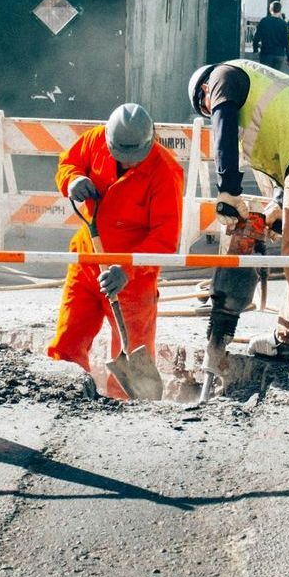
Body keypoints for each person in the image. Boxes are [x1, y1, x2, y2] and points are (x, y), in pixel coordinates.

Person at [188, 59, 289, 382]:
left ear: (205, 91)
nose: (212, 112)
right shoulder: (259, 81)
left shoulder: (222, 76)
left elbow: (222, 127)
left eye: (207, 108)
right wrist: (279, 203)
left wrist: (229, 191)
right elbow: (287, 136)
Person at [47, 103, 184, 397]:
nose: (128, 162)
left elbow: (165, 238)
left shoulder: (165, 172)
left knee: (131, 351)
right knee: (68, 340)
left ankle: (125, 413)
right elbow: (67, 163)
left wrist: (127, 269)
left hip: (133, 279)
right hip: (88, 261)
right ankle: (62, 395)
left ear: (148, 142)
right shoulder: (95, 139)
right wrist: (72, 180)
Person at [255, 2, 289, 72]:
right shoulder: (283, 24)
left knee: (265, 76)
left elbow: (257, 37)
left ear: (270, 9)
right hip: (279, 54)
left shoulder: (264, 21)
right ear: (280, 11)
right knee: (276, 77)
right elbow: (287, 42)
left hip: (266, 53)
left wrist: (255, 49)